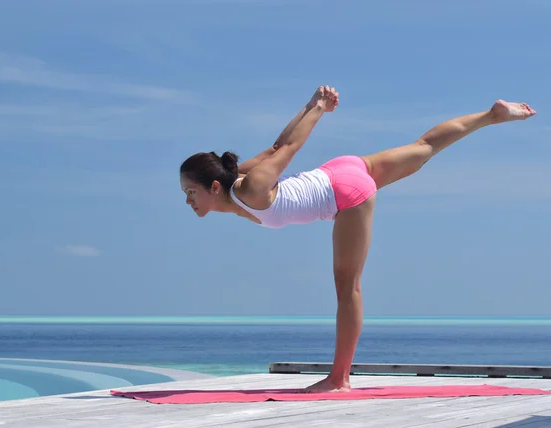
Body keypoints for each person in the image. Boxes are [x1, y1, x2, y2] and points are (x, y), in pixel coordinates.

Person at [179, 85, 536, 393]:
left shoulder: (252, 190)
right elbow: (275, 147)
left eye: (191, 191)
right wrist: (309, 104)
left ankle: (339, 378)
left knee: (348, 285)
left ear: (213, 187)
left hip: (345, 193)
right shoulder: (238, 177)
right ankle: (492, 114)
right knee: (423, 147)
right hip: (340, 170)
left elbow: (288, 148)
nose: (188, 200)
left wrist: (318, 109)